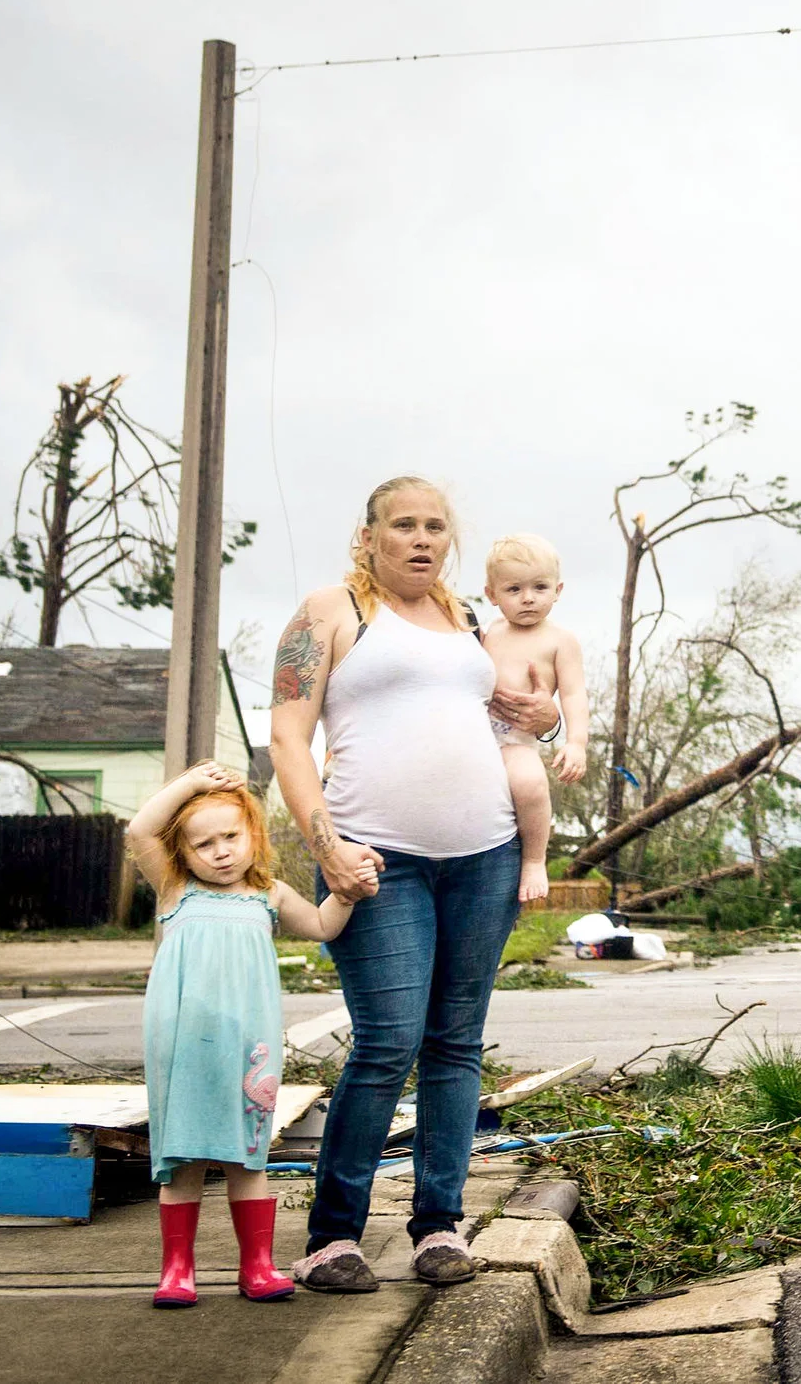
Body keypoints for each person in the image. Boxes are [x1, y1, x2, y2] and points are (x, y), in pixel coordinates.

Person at [268, 476, 560, 1293]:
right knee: (388, 1041)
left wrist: (550, 724)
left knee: (455, 1043)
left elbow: (513, 718)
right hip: (376, 862)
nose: (422, 539)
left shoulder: (470, 620)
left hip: (486, 855)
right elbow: (289, 741)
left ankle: (439, 1223)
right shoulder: (331, 613)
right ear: (369, 537)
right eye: (404, 525)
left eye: (436, 526)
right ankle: (333, 1237)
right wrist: (325, 848)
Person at [125, 761, 368, 1309]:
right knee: (182, 1158)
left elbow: (324, 927)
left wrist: (348, 893)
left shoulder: (270, 894)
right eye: (203, 843)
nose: (220, 851)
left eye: (230, 836)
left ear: (253, 835)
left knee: (247, 1157)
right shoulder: (174, 890)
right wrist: (191, 784)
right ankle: (176, 1271)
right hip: (181, 1044)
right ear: (182, 854)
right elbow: (140, 829)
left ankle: (257, 1266)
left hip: (247, 1048)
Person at [479, 534, 588, 905]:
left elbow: (573, 693)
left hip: (516, 741)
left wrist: (576, 743)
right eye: (514, 588)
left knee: (529, 784)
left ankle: (534, 860)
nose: (528, 597)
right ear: (492, 594)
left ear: (557, 590)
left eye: (539, 587)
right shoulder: (489, 632)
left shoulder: (560, 640)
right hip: (473, 737)